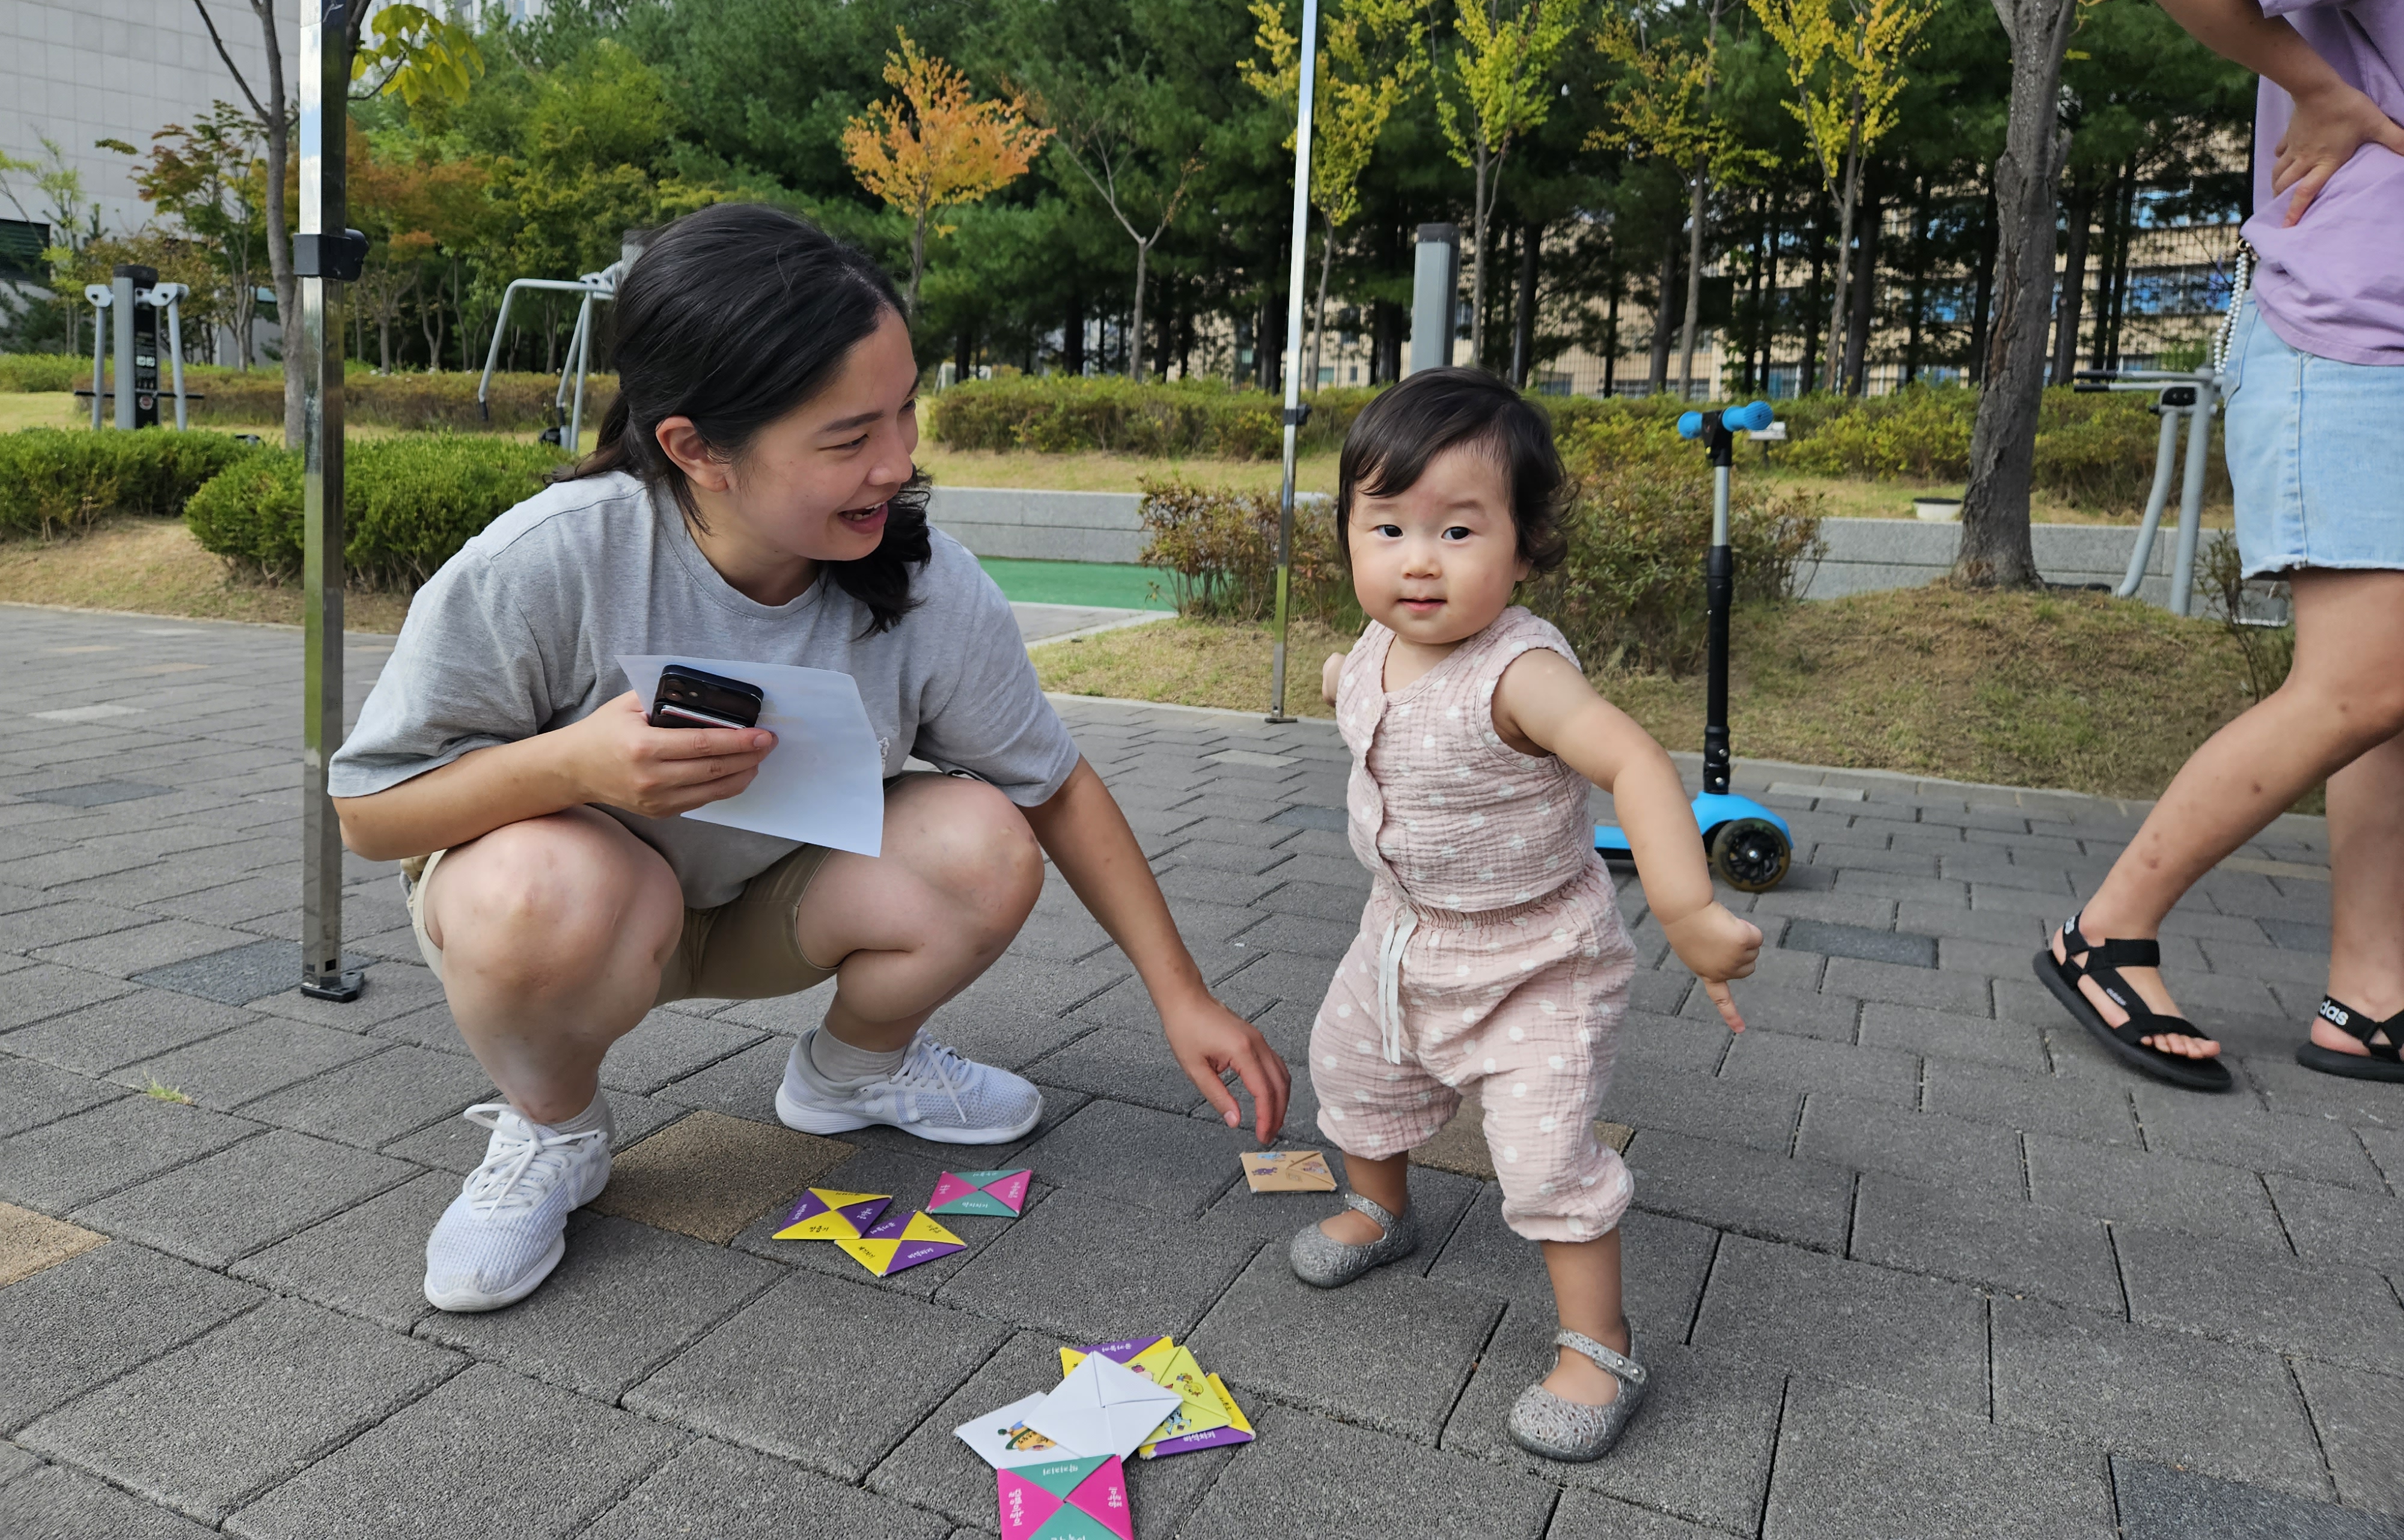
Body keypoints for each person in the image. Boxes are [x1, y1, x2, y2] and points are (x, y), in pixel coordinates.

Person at [331, 204, 1288, 1313]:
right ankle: (554, 1131)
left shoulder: (924, 582)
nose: (898, 463)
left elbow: (1057, 788)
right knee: (536, 881)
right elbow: (371, 813)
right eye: (848, 439)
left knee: (985, 841)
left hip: (770, 908)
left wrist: (1182, 996)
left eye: (906, 410)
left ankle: (854, 1073)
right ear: (696, 449)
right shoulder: (549, 561)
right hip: (571, 921)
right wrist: (572, 769)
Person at [1292, 370, 1762, 1463]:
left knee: (1546, 1156)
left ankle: (1599, 1346)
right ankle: (1380, 1209)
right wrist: (1337, 676)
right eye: (1388, 527)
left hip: (1537, 961)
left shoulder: (1522, 676)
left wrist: (1687, 909)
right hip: (1400, 937)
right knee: (1353, 1074)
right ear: (1349, 533)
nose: (1419, 560)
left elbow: (1634, 761)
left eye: (1458, 531)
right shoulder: (1375, 647)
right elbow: (1356, 681)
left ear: (1525, 546)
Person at [2032, 0, 2404, 1092]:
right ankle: (2106, 931)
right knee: (2366, 683)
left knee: (2387, 699)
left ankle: (2371, 995)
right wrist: (2318, 89)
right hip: (2349, 328)